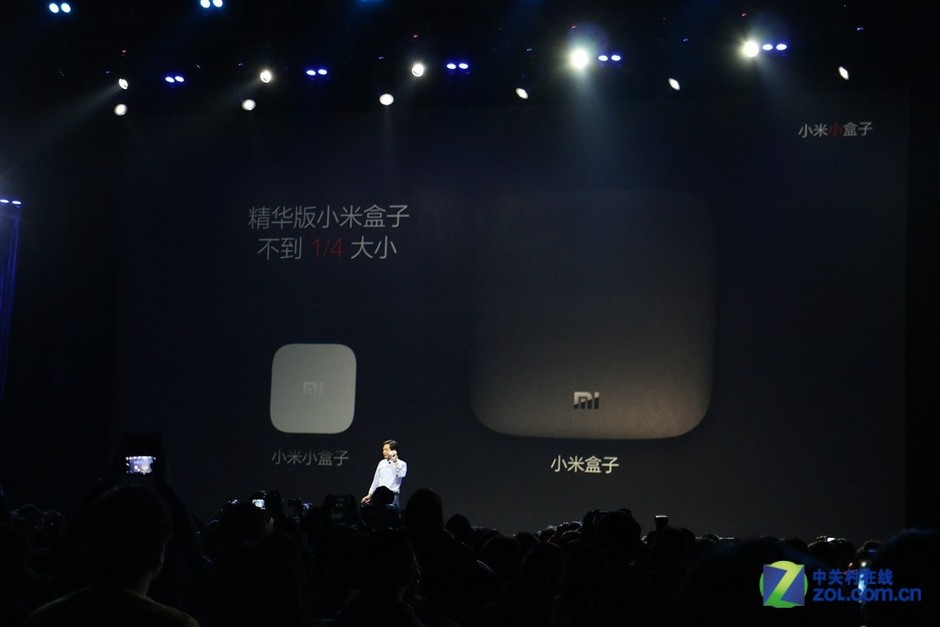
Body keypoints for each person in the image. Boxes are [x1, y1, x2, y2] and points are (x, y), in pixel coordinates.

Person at [362, 440, 407, 507]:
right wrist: (370, 495)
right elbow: (376, 480)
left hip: (393, 496)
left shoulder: (402, 464)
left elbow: (401, 474)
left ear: (393, 451)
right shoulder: (381, 463)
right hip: (380, 496)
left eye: (386, 450)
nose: (384, 452)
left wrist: (395, 462)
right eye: (383, 450)